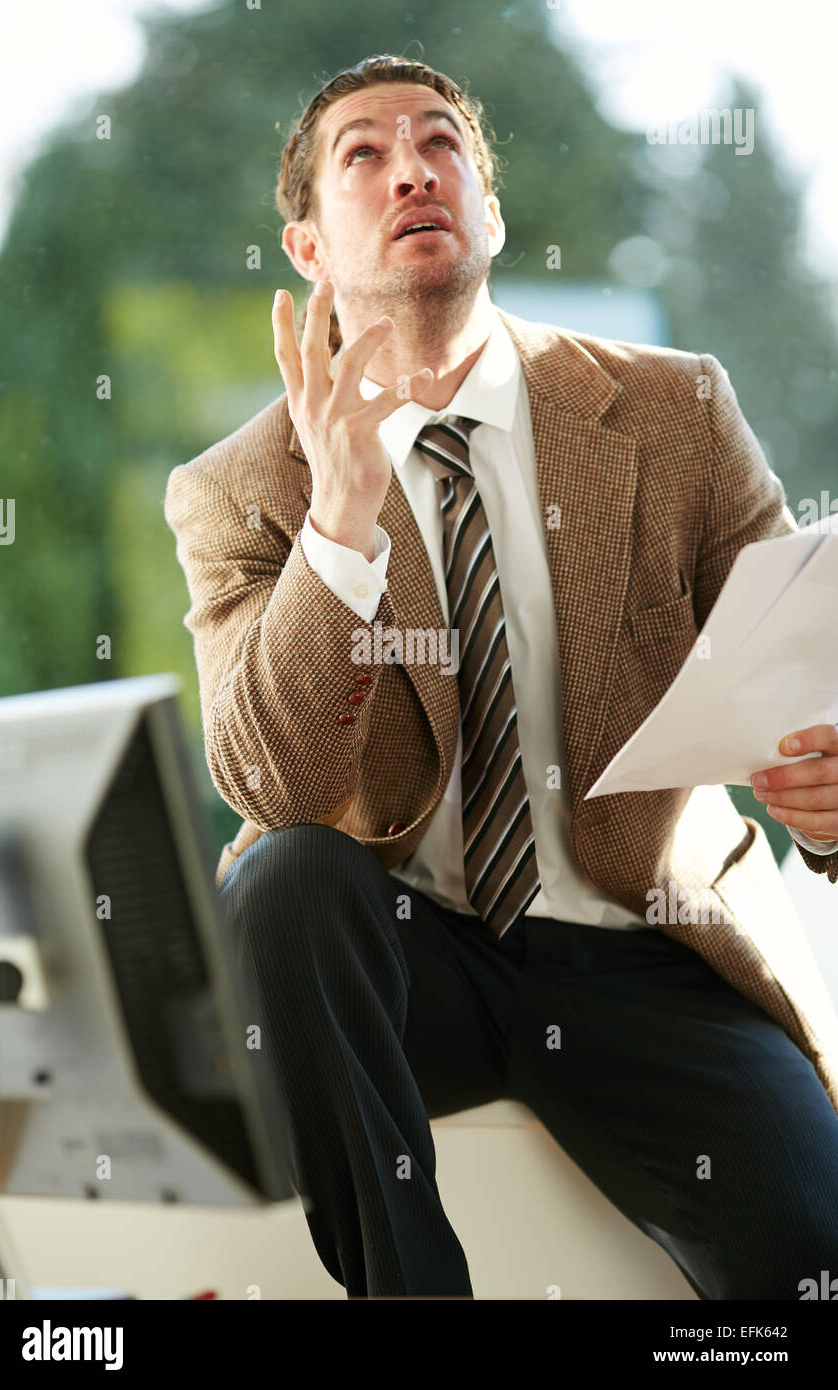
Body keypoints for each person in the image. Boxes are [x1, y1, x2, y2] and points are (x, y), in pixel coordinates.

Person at [164, 54, 838, 1300]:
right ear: (307, 247)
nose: (411, 167)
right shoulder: (241, 486)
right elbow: (273, 779)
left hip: (646, 941)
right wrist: (344, 528)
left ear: (490, 207)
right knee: (284, 873)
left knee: (812, 1270)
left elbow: (802, 669)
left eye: (440, 145)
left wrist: (827, 796)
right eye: (362, 155)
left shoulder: (673, 408)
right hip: (411, 965)